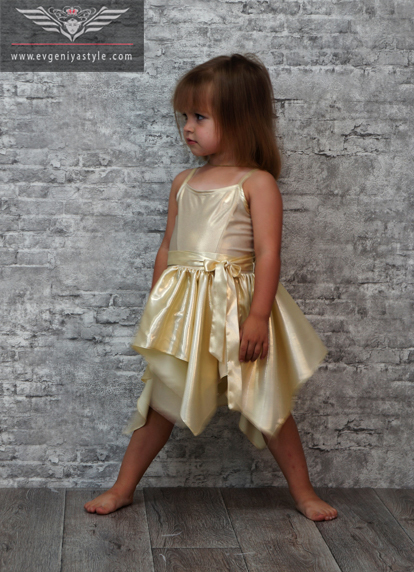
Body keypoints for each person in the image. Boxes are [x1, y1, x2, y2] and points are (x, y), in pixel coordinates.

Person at [84, 53, 338, 521]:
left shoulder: (256, 183)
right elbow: (167, 247)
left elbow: (268, 254)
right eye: (184, 116)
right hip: (186, 314)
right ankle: (122, 487)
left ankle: (304, 492)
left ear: (239, 119)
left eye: (199, 117)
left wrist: (258, 316)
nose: (187, 127)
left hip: (238, 311)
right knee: (161, 400)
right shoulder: (184, 182)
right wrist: (157, 304)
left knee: (267, 401)